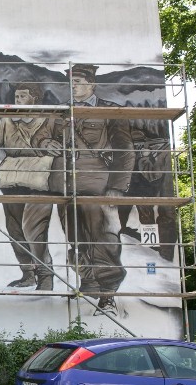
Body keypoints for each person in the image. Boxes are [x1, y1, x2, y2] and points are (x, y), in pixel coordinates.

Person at [33, 64, 135, 316]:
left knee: (103, 239)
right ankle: (89, 285)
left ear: (92, 84)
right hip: (65, 187)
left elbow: (125, 149)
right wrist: (45, 142)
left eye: (78, 80)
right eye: (71, 81)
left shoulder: (109, 111)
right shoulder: (59, 112)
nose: (74, 85)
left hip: (98, 186)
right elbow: (39, 136)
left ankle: (108, 295)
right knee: (75, 239)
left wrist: (117, 187)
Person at [0, 83, 56, 289]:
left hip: (39, 180)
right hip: (10, 180)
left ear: (34, 98)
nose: (17, 99)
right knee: (16, 231)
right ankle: (28, 273)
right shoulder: (7, 120)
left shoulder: (48, 120)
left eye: (22, 96)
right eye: (16, 96)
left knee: (34, 231)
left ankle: (46, 275)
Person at [118, 119, 177, 261]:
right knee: (125, 214)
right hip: (128, 190)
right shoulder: (123, 151)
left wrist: (144, 157)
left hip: (143, 191)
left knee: (147, 220)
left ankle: (151, 245)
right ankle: (125, 231)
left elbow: (152, 176)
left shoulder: (150, 153)